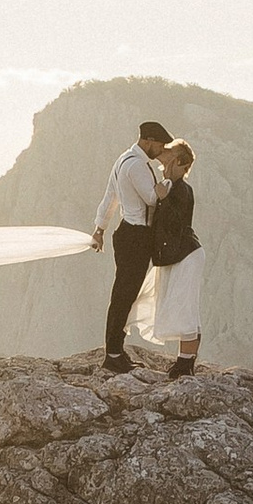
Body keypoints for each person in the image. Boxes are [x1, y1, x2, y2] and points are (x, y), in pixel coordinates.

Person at [90, 118, 170, 370]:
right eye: (159, 145)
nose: (161, 151)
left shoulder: (123, 159)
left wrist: (100, 228)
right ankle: (113, 355)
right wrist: (168, 181)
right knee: (124, 295)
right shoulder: (136, 165)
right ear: (147, 141)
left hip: (127, 233)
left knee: (124, 294)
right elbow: (152, 198)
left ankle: (115, 351)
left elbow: (110, 197)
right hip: (136, 236)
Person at [146, 138, 203, 377]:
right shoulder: (171, 185)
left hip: (187, 254)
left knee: (185, 306)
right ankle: (184, 361)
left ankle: (185, 363)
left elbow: (177, 222)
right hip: (180, 254)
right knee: (181, 304)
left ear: (180, 161)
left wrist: (163, 197)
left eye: (169, 152)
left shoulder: (180, 189)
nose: (163, 153)